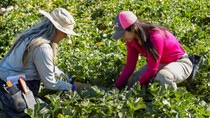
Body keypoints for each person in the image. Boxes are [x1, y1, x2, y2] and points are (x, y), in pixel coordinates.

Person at [0, 8, 89, 117]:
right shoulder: (42, 47)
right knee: (43, 113)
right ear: (57, 29)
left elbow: (48, 66)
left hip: (4, 81)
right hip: (12, 90)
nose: (65, 37)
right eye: (65, 33)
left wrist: (67, 78)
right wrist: (72, 87)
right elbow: (50, 83)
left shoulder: (32, 35)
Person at [112, 11, 193, 90]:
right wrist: (115, 87)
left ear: (132, 28)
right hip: (160, 63)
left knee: (163, 77)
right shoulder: (131, 41)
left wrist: (134, 90)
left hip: (180, 62)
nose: (121, 37)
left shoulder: (155, 37)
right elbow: (130, 66)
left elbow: (152, 70)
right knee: (133, 80)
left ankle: (172, 100)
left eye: (122, 33)